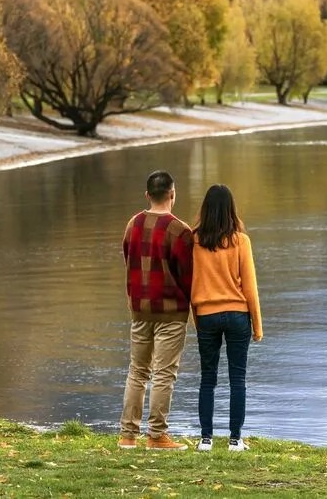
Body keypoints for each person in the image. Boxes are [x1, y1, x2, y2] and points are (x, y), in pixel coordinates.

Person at [119, 170, 195, 450]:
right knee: (164, 373)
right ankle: (156, 435)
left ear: (147, 195)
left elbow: (128, 260)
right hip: (171, 312)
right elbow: (188, 276)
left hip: (139, 310)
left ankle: (127, 436)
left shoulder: (133, 224)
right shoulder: (180, 230)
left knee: (137, 371)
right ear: (173, 194)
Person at [190, 184, 262, 453]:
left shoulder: (194, 241)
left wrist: (195, 318)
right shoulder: (241, 241)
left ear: (205, 209)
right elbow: (250, 288)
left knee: (207, 378)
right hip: (237, 315)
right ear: (231, 209)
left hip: (206, 315)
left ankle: (206, 439)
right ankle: (235, 440)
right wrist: (257, 326)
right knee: (238, 379)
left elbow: (191, 283)